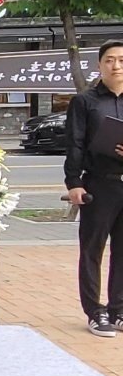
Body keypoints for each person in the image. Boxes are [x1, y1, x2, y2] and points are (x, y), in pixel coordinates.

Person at [65, 39, 123, 338]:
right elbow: (74, 143)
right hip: (99, 184)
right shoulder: (85, 102)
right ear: (100, 65)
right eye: (110, 60)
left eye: (122, 61)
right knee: (92, 250)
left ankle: (118, 310)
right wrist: (74, 183)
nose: (116, 66)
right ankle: (95, 311)